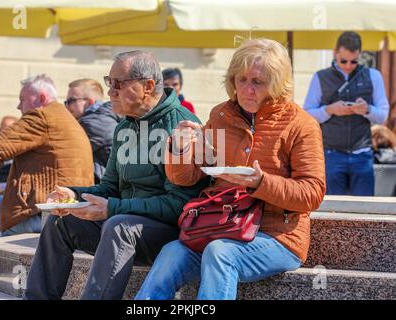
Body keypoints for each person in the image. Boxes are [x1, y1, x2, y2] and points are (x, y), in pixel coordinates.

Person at [135, 38, 326, 300]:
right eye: (241, 80)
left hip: (276, 236)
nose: (247, 89)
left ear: (277, 83)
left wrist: (260, 183)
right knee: (172, 252)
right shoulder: (220, 116)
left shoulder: (301, 125)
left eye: (257, 82)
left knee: (220, 252)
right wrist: (179, 148)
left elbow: (312, 193)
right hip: (220, 226)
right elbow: (186, 178)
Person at [24, 51, 209, 300]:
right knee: (60, 221)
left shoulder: (182, 126)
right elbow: (109, 186)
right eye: (109, 82)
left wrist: (113, 208)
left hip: (168, 234)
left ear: (148, 86)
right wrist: (73, 195)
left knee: (118, 225)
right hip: (123, 224)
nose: (110, 91)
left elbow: (180, 205)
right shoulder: (124, 126)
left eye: (118, 84)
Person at [0, 74, 94, 269]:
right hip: (69, 214)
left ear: (41, 98)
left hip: (41, 214)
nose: (19, 106)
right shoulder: (66, 119)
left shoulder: (42, 116)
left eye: (22, 99)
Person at [304, 31, 389, 196]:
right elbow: (307, 115)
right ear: (335, 52)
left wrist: (367, 110)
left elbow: (383, 115)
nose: (348, 65)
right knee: (332, 207)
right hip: (331, 154)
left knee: (364, 210)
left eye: (354, 61)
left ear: (360, 55)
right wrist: (329, 110)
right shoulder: (320, 77)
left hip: (362, 154)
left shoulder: (374, 76)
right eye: (343, 60)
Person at [65, 79, 121, 183]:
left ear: (89, 102)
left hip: (109, 187)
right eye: (66, 102)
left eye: (71, 101)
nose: (67, 106)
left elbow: (67, 153)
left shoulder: (92, 123)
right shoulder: (105, 115)